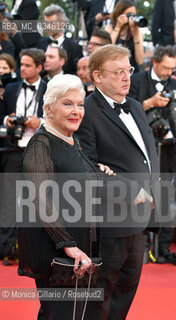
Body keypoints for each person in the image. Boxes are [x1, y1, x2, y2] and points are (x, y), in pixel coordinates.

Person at [18, 73, 147, 319]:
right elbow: (39, 200)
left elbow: (73, 176)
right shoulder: (41, 144)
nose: (76, 111)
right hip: (57, 252)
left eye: (79, 104)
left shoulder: (71, 139)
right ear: (48, 108)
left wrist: (96, 171)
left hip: (79, 248)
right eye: (67, 104)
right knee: (61, 313)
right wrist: (68, 246)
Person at [77, 44, 159, 319]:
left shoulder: (134, 105)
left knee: (126, 290)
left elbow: (148, 154)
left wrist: (153, 192)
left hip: (140, 219)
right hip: (108, 222)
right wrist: (129, 190)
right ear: (97, 76)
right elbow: (85, 167)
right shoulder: (85, 111)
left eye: (129, 70)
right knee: (100, 293)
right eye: (118, 72)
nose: (127, 78)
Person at [128, 45, 176, 260]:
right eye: (165, 68)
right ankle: (138, 246)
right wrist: (148, 104)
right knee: (139, 196)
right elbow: (124, 111)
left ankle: (162, 247)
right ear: (154, 62)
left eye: (172, 69)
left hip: (170, 150)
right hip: (140, 148)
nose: (168, 72)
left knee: (165, 199)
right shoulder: (136, 81)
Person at [0, 48, 46, 264]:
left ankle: (31, 250)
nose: (23, 69)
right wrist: (6, 122)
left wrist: (40, 123)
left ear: (39, 67)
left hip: (38, 152)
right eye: (22, 64)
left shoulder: (49, 90)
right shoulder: (10, 89)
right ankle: (7, 248)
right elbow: (1, 115)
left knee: (34, 201)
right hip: (13, 151)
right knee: (8, 201)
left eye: (28, 65)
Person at [36, 4, 83, 75]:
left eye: (52, 24)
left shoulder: (75, 48)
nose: (48, 27)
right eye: (46, 23)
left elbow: (77, 73)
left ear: (62, 23)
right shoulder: (39, 44)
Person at [104, 0, 144, 73]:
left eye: (134, 15)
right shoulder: (109, 28)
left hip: (131, 73)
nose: (131, 17)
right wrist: (118, 27)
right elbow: (105, 52)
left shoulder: (137, 32)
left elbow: (140, 61)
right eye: (129, 15)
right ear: (119, 14)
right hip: (113, 72)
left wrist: (136, 35)